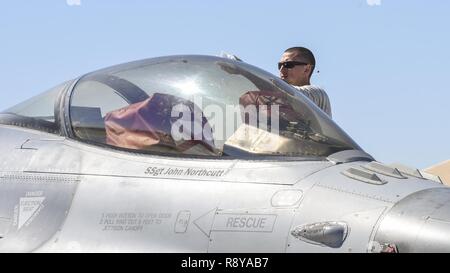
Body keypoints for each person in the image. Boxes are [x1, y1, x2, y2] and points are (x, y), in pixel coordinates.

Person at [279, 47, 332, 118]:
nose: (281, 70)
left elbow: (298, 94)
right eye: (280, 65)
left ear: (307, 69)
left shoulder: (318, 94)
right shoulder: (279, 98)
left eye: (288, 65)